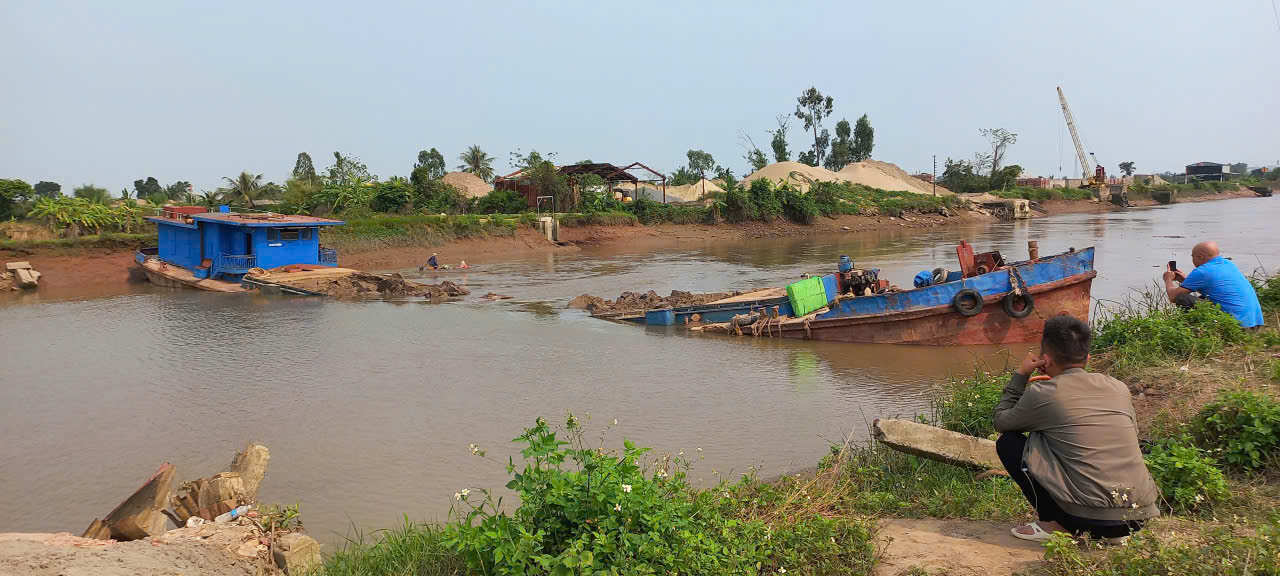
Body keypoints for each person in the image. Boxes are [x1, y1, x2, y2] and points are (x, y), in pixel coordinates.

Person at [993, 315, 1159, 542]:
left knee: (1009, 442)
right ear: (1088, 358)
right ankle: (1112, 531)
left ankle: (1055, 523)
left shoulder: (1043, 393)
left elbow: (1001, 422)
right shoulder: (1118, 388)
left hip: (1086, 520)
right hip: (1138, 517)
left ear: (1045, 360)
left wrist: (1021, 376)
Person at [1163, 241, 1264, 328]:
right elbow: (1215, 288)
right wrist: (1185, 280)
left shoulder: (1202, 271)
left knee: (1183, 298)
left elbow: (1173, 297)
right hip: (1255, 324)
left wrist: (1168, 280)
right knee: (1205, 296)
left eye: (1193, 257)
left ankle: (1197, 330)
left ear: (1200, 257)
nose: (1193, 260)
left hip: (1237, 327)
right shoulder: (1228, 264)